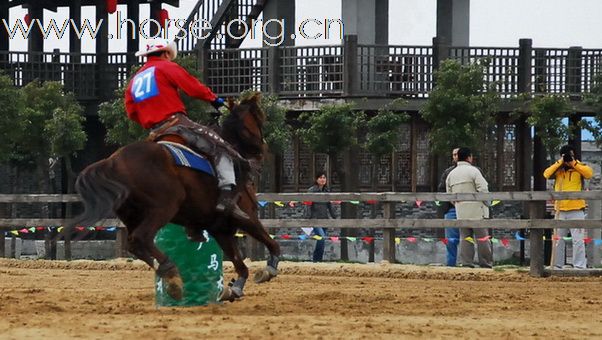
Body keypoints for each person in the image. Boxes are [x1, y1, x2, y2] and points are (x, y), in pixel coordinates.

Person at [124, 40, 249, 222]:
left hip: (154, 132)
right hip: (176, 124)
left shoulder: (134, 81)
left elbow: (131, 112)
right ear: (166, 54)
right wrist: (213, 99)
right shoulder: (166, 67)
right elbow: (191, 87)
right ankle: (227, 196)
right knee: (221, 147)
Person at [543, 144, 593, 269]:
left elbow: (589, 173)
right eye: (566, 155)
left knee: (578, 240)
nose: (568, 158)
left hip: (576, 209)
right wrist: (561, 161)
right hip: (560, 210)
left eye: (570, 154)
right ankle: (557, 265)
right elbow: (546, 174)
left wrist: (573, 163)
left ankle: (579, 266)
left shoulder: (580, 167)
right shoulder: (558, 170)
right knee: (558, 239)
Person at [446, 147, 493, 268]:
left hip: (461, 212)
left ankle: (466, 262)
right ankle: (485, 263)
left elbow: (449, 195)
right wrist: (488, 203)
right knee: (482, 238)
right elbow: (483, 189)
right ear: (469, 157)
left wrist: (458, 205)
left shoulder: (451, 174)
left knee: (465, 239)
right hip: (478, 211)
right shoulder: (474, 171)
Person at [306, 173, 337, 262]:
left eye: (324, 177)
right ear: (316, 179)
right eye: (320, 177)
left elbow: (329, 205)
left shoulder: (327, 191)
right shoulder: (311, 190)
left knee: (322, 240)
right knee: (321, 238)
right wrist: (308, 217)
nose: (322, 179)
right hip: (315, 219)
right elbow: (307, 205)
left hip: (324, 219)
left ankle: (319, 260)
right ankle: (316, 259)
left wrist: (334, 216)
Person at [437, 148, 460, 267]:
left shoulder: (475, 171)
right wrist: (452, 201)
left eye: (457, 154)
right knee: (451, 240)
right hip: (452, 209)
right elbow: (442, 190)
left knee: (471, 239)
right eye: (454, 155)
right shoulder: (448, 172)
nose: (455, 157)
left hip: (471, 209)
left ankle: (469, 264)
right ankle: (451, 265)